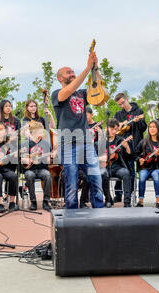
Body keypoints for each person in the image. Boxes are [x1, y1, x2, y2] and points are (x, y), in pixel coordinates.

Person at [51, 50, 104, 209]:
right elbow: (67, 91)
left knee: (96, 179)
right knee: (72, 183)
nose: (72, 74)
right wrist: (87, 69)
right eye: (69, 72)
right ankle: (71, 217)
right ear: (60, 78)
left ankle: (99, 213)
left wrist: (95, 68)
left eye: (73, 71)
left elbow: (98, 91)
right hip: (68, 145)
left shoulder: (81, 93)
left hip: (86, 143)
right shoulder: (57, 94)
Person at [113, 93, 147, 202]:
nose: (122, 105)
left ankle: (131, 193)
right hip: (122, 146)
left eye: (123, 102)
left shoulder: (138, 111)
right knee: (120, 168)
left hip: (135, 144)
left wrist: (138, 122)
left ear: (127, 99)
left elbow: (143, 128)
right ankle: (118, 194)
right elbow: (115, 129)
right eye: (119, 104)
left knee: (131, 170)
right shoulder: (118, 114)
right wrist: (121, 126)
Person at [20, 121, 55, 211]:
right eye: (40, 132)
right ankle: (33, 201)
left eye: (42, 131)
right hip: (29, 169)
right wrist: (28, 159)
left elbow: (47, 161)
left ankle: (46, 201)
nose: (42, 134)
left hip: (41, 168)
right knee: (29, 175)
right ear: (33, 133)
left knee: (47, 175)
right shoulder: (25, 143)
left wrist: (50, 158)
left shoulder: (46, 144)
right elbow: (22, 159)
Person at [99, 118, 133, 208]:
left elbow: (129, 157)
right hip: (105, 167)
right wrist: (104, 157)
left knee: (126, 173)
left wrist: (127, 147)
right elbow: (95, 157)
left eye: (116, 129)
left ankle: (127, 202)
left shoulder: (120, 140)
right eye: (112, 129)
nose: (114, 131)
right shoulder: (101, 141)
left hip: (117, 167)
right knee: (103, 174)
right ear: (106, 128)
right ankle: (108, 199)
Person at [135, 120, 159, 208]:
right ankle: (140, 201)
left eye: (154, 127)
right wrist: (139, 159)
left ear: (158, 129)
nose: (152, 129)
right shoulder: (144, 142)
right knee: (142, 176)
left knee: (155, 175)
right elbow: (134, 154)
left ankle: (158, 201)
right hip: (145, 168)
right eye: (150, 127)